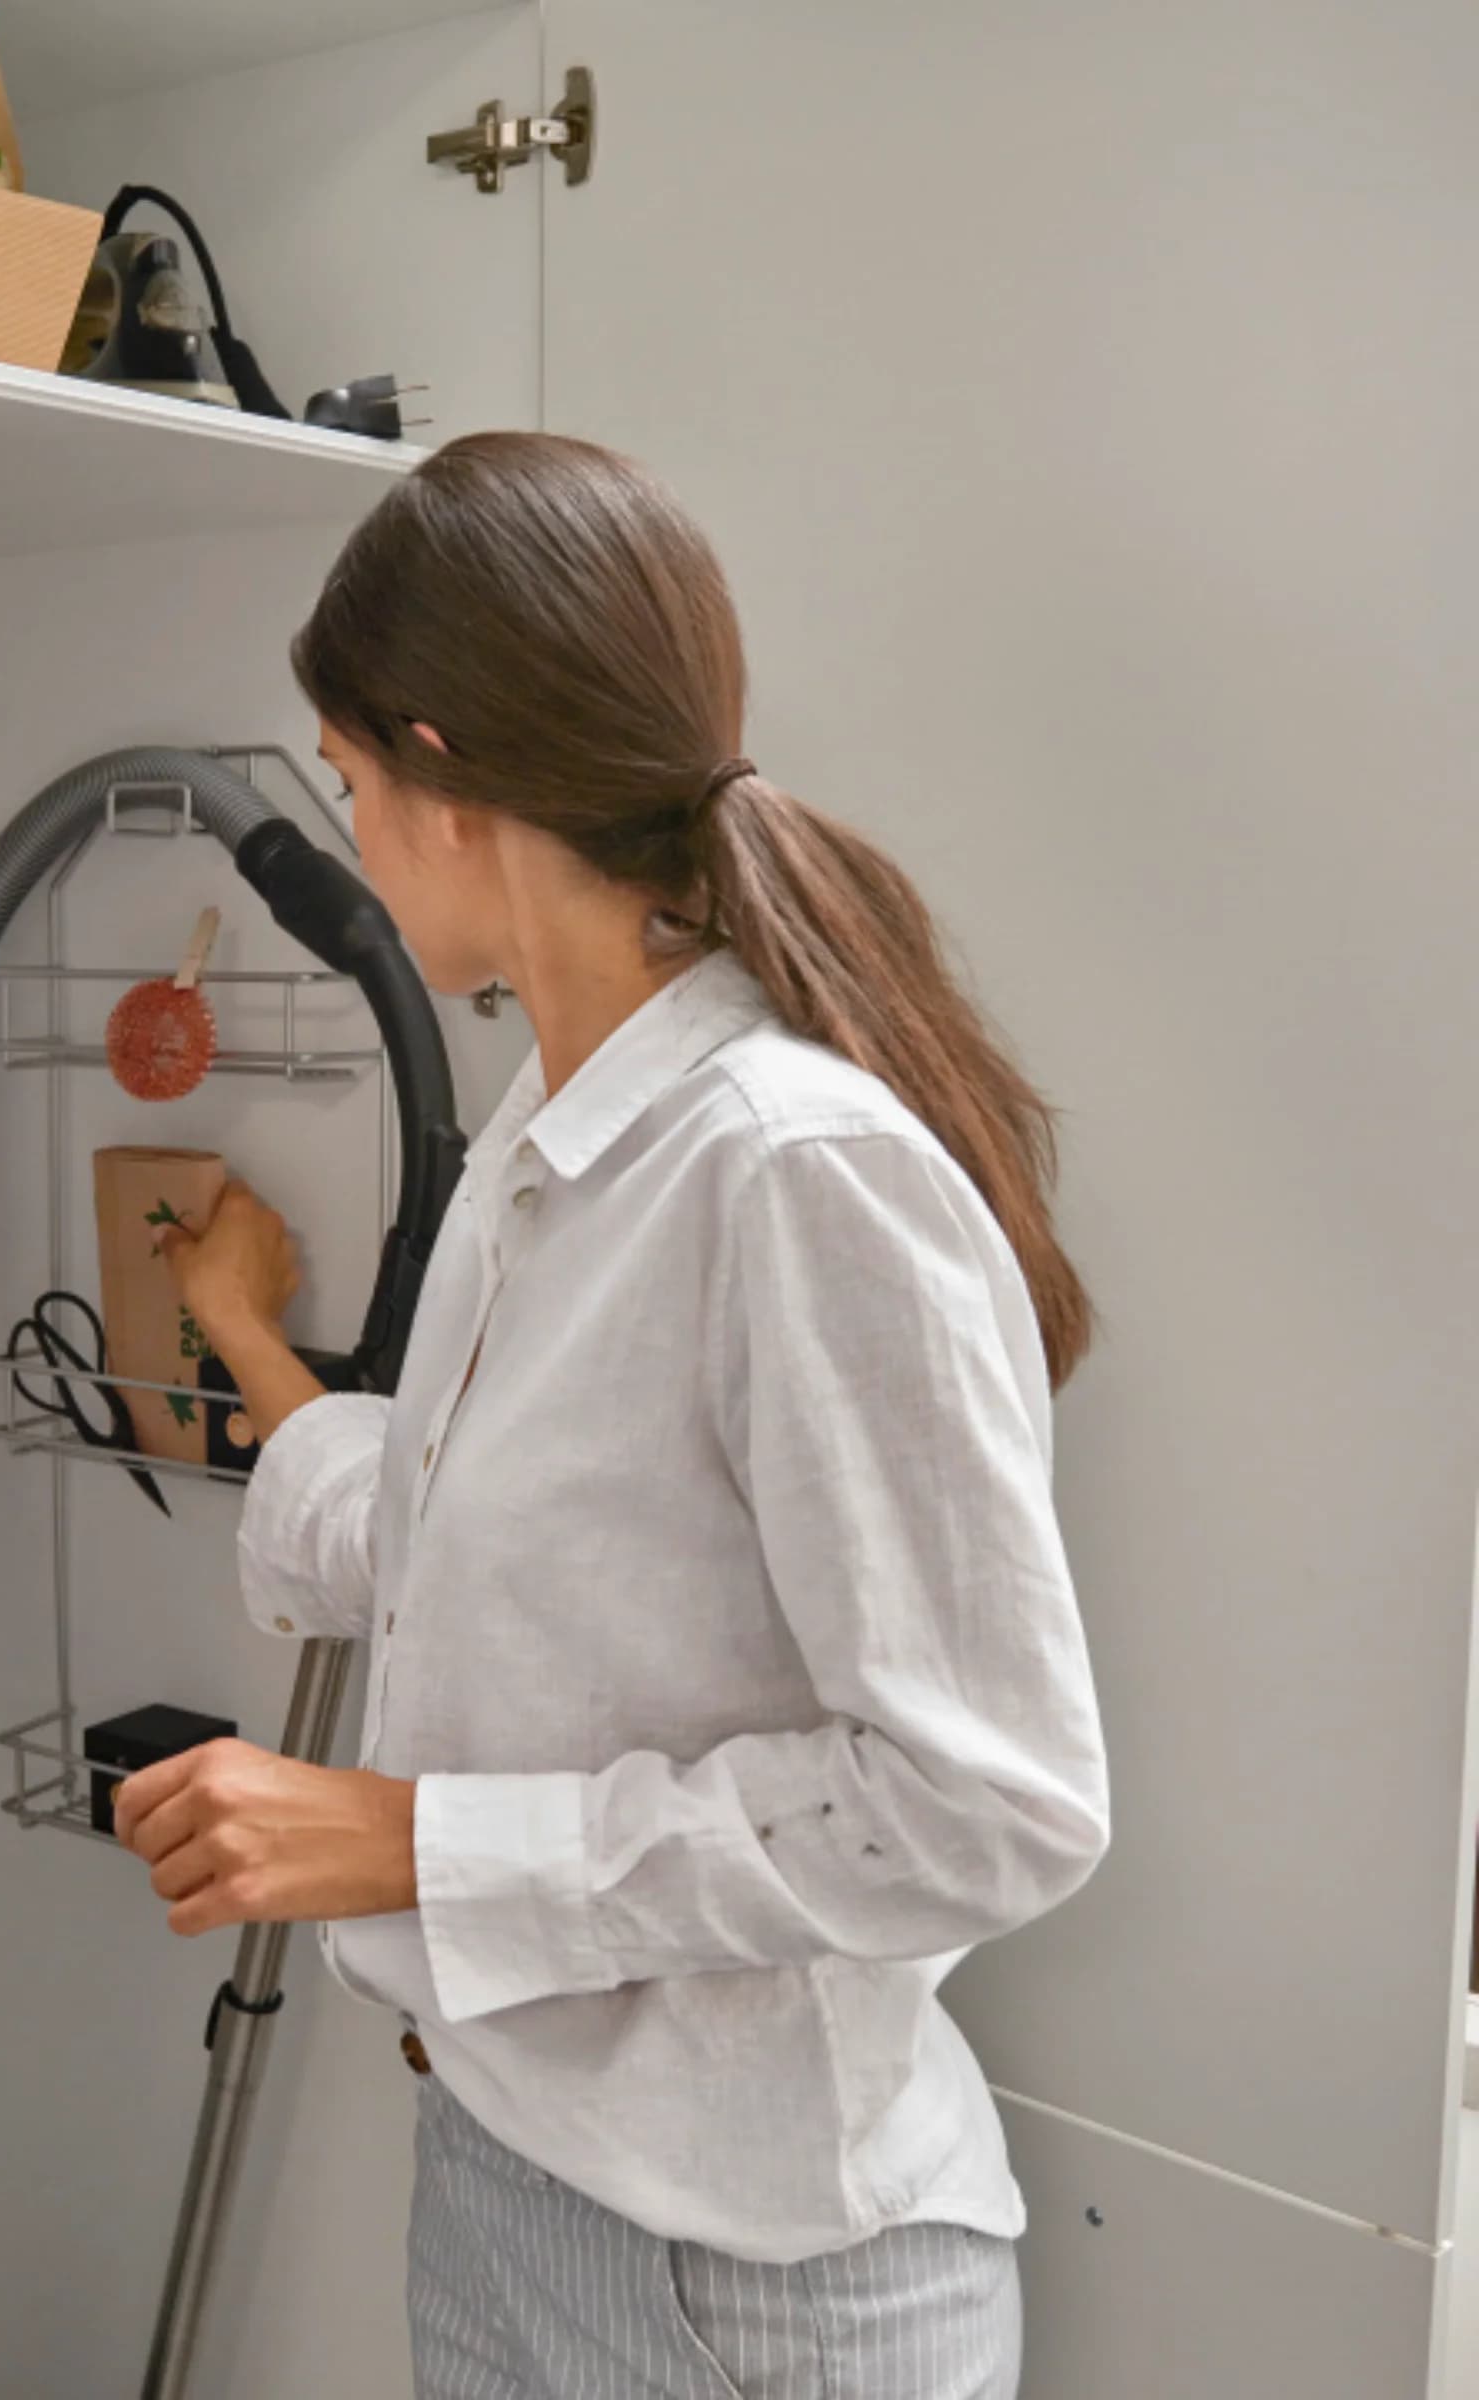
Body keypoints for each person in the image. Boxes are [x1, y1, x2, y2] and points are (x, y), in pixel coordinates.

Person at [112, 431, 1111, 2399]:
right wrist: (244, 1341)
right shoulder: (558, 1135)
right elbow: (481, 1530)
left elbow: (986, 1806)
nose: (360, 847)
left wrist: (412, 1845)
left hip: (753, 2283)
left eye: (348, 792)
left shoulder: (788, 1169)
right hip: (511, 2180)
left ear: (439, 776)